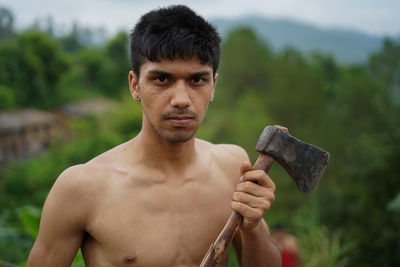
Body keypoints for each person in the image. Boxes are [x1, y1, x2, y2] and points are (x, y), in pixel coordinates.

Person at [27, 5, 281, 267]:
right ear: (135, 85)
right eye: (161, 79)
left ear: (213, 86)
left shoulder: (232, 166)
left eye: (197, 80)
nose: (181, 100)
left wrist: (252, 228)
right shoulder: (82, 188)